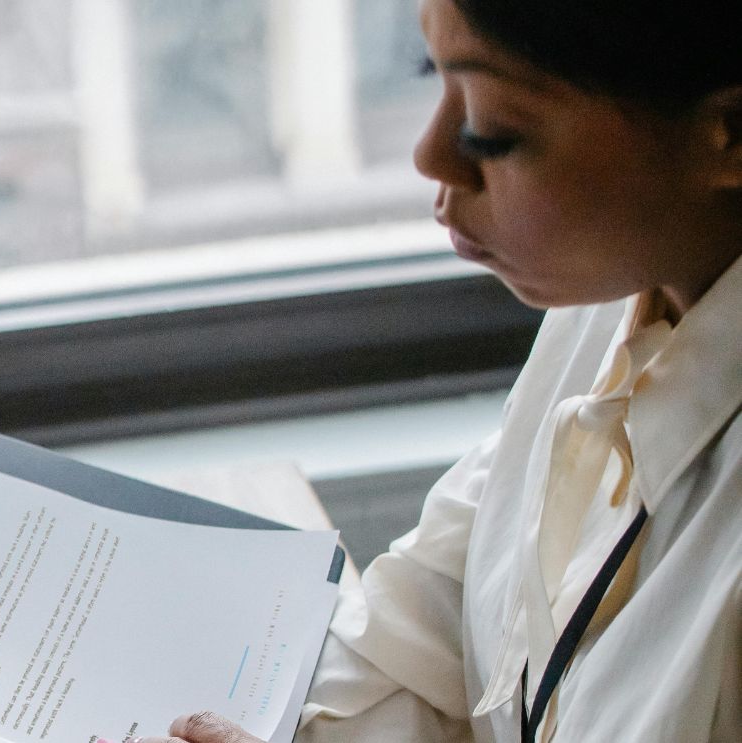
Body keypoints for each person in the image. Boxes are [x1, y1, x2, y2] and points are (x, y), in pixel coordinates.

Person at [137, 0, 742, 741]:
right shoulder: (611, 308)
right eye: (435, 74)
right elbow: (433, 621)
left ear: (730, 137)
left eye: (491, 128)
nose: (428, 154)